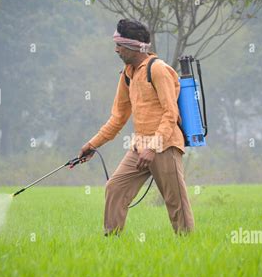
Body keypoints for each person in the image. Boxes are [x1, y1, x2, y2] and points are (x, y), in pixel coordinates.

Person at [75, 19, 195, 236]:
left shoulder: (158, 70)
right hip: (140, 146)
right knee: (115, 188)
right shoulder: (127, 74)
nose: (116, 49)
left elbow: (171, 113)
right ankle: (111, 242)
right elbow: (118, 118)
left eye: (119, 45)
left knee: (176, 201)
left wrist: (153, 147)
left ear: (133, 46)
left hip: (165, 145)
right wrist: (92, 144)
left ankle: (188, 245)